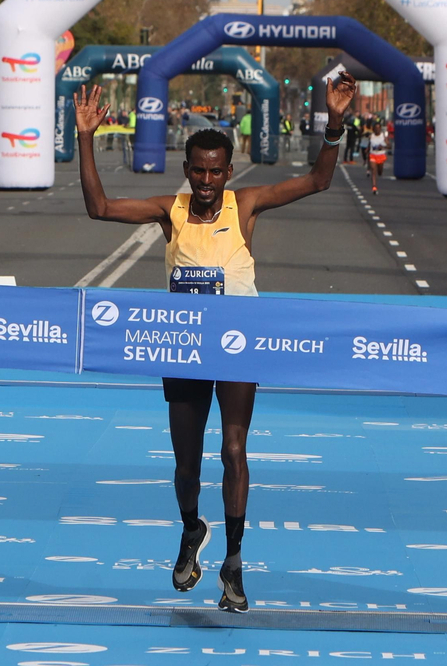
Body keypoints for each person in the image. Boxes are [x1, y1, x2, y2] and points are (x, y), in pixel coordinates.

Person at [72, 72, 358, 614]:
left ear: (228, 172)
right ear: (187, 172)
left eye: (214, 173)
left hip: (236, 345)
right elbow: (100, 208)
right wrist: (86, 136)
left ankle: (233, 562)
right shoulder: (170, 210)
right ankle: (189, 529)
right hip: (182, 348)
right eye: (197, 172)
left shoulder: (245, 203)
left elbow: (318, 181)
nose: (206, 181)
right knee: (186, 462)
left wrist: (336, 124)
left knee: (233, 450)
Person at [366, 119, 388, 193]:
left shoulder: (383, 136)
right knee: (373, 171)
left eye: (378, 128)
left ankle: (380, 171)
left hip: (381, 155)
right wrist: (367, 150)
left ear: (380, 128)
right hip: (373, 155)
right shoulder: (371, 136)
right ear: (374, 129)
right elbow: (369, 145)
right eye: (376, 128)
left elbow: (389, 146)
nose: (377, 129)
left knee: (379, 172)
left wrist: (383, 147)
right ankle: (374, 187)